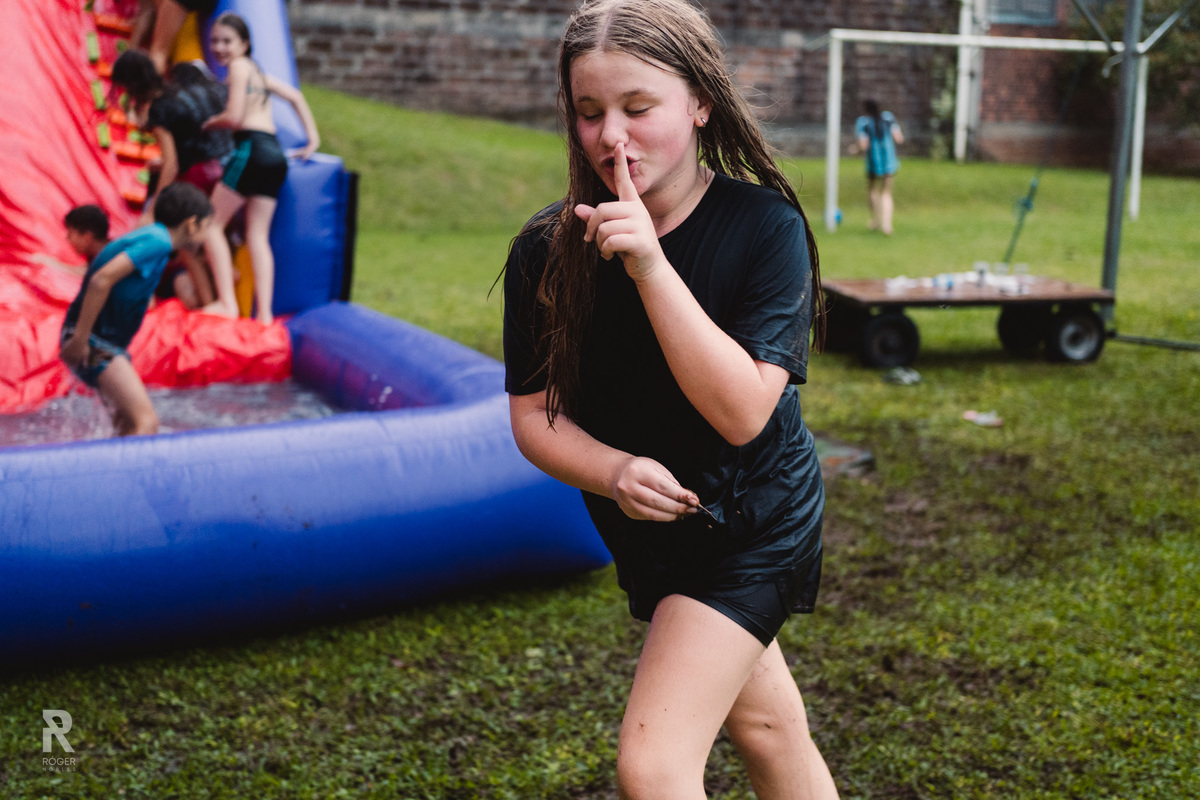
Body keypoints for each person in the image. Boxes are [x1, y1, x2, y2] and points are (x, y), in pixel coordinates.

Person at [501, 1, 838, 797]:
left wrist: (651, 265)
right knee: (768, 728)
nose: (610, 136)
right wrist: (613, 471)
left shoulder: (765, 229)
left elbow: (742, 413)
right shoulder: (546, 251)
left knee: (653, 768)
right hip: (652, 528)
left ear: (700, 103)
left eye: (638, 107)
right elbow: (534, 417)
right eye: (590, 111)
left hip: (754, 518)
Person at [60, 183, 212, 437]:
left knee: (127, 424)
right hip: (94, 341)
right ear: (191, 224)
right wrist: (80, 339)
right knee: (146, 422)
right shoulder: (159, 241)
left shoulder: (154, 238)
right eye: (207, 226)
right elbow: (101, 280)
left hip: (101, 341)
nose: (207, 236)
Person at [200, 11, 320, 324]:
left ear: (244, 44)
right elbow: (295, 96)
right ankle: (264, 314)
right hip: (273, 154)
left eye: (227, 41)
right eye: (214, 41)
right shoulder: (257, 71)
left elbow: (234, 117)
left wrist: (207, 124)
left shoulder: (239, 67)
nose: (219, 48)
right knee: (257, 235)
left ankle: (227, 303)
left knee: (211, 224)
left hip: (251, 149)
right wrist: (313, 138)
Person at [111, 51, 232, 308]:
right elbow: (187, 139)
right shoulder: (175, 90)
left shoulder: (159, 110)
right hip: (221, 163)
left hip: (200, 171)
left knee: (182, 241)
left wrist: (153, 208)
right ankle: (211, 294)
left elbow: (172, 164)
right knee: (197, 237)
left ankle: (205, 302)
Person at [851, 99, 904, 235]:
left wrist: (855, 150)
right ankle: (887, 225)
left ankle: (875, 220)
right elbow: (899, 138)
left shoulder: (863, 122)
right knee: (886, 192)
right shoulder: (888, 118)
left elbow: (863, 145)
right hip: (889, 161)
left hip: (873, 162)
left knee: (872, 190)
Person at [32, 205, 112, 275]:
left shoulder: (111, 257)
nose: (68, 239)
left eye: (70, 234)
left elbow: (90, 274)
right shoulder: (100, 255)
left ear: (87, 237)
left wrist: (52, 264)